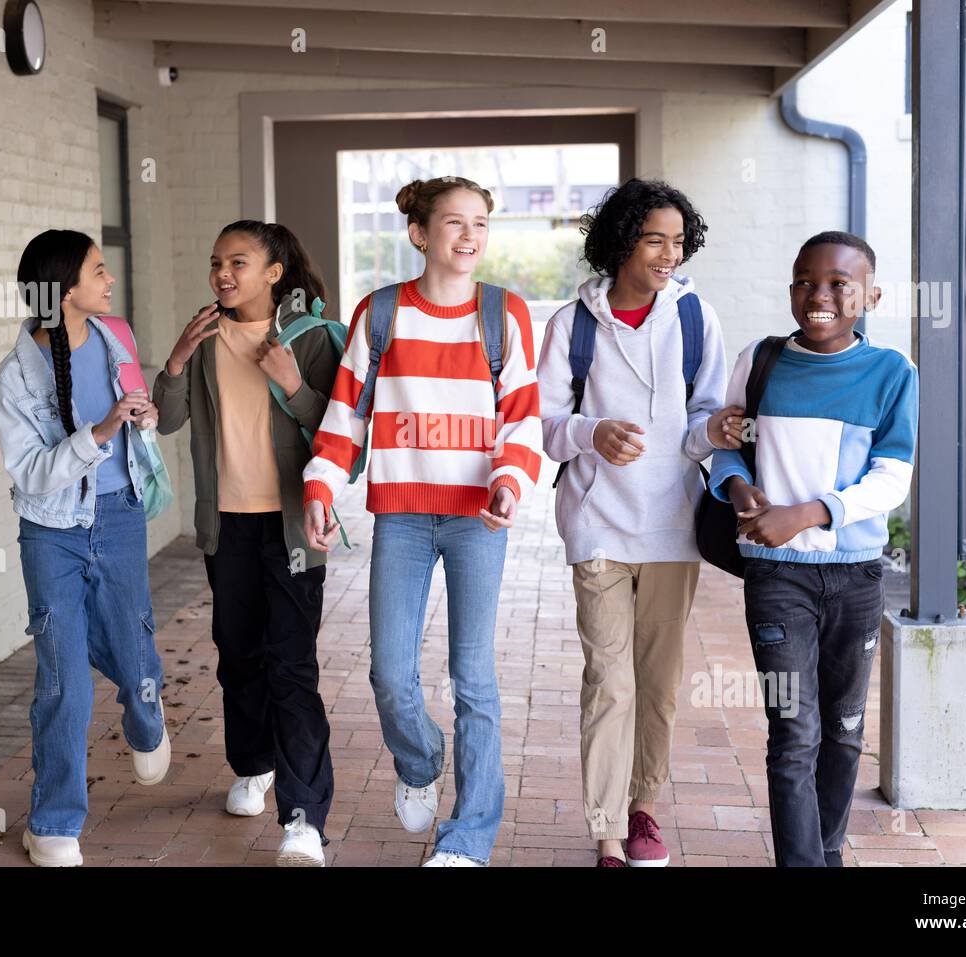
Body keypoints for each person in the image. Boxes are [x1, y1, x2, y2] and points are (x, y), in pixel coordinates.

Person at [302, 176, 542, 866]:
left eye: (481, 224)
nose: (470, 236)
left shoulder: (505, 314)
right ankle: (419, 759)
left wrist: (508, 481)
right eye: (454, 223)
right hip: (402, 516)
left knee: (474, 678)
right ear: (419, 234)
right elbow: (345, 412)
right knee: (390, 675)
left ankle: (467, 839)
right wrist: (320, 486)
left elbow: (523, 415)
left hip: (476, 519)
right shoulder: (380, 314)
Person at [538, 178, 743, 867]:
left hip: (671, 525)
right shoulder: (572, 326)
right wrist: (592, 433)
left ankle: (643, 808)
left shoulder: (694, 320)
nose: (668, 254)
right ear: (622, 240)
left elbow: (700, 420)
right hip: (596, 522)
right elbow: (544, 426)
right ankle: (606, 830)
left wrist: (714, 428)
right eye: (656, 238)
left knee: (656, 681)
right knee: (610, 678)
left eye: (679, 242)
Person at [707, 230, 918, 866]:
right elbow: (727, 444)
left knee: (844, 729)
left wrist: (808, 514)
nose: (818, 295)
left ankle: (825, 854)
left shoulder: (891, 372)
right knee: (793, 731)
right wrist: (740, 488)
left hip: (856, 577)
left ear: (871, 295)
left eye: (837, 284)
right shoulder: (761, 359)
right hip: (775, 576)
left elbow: (893, 476)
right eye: (804, 281)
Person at [152, 221, 341, 867]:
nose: (223, 274)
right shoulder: (204, 337)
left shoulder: (313, 339)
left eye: (238, 261)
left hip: (291, 524)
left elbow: (342, 436)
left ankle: (304, 817)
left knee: (292, 664)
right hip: (225, 523)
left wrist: (291, 382)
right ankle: (254, 764)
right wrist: (176, 359)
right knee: (237, 653)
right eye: (215, 263)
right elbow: (167, 417)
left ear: (274, 271)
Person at [0, 229, 167, 868]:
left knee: (133, 645)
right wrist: (100, 431)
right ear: (66, 290)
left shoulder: (116, 335)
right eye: (98, 270)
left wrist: (139, 418)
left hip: (120, 518)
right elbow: (33, 473)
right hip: (50, 531)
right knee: (63, 676)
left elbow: (133, 414)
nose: (109, 279)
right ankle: (53, 822)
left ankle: (146, 709)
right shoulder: (13, 379)